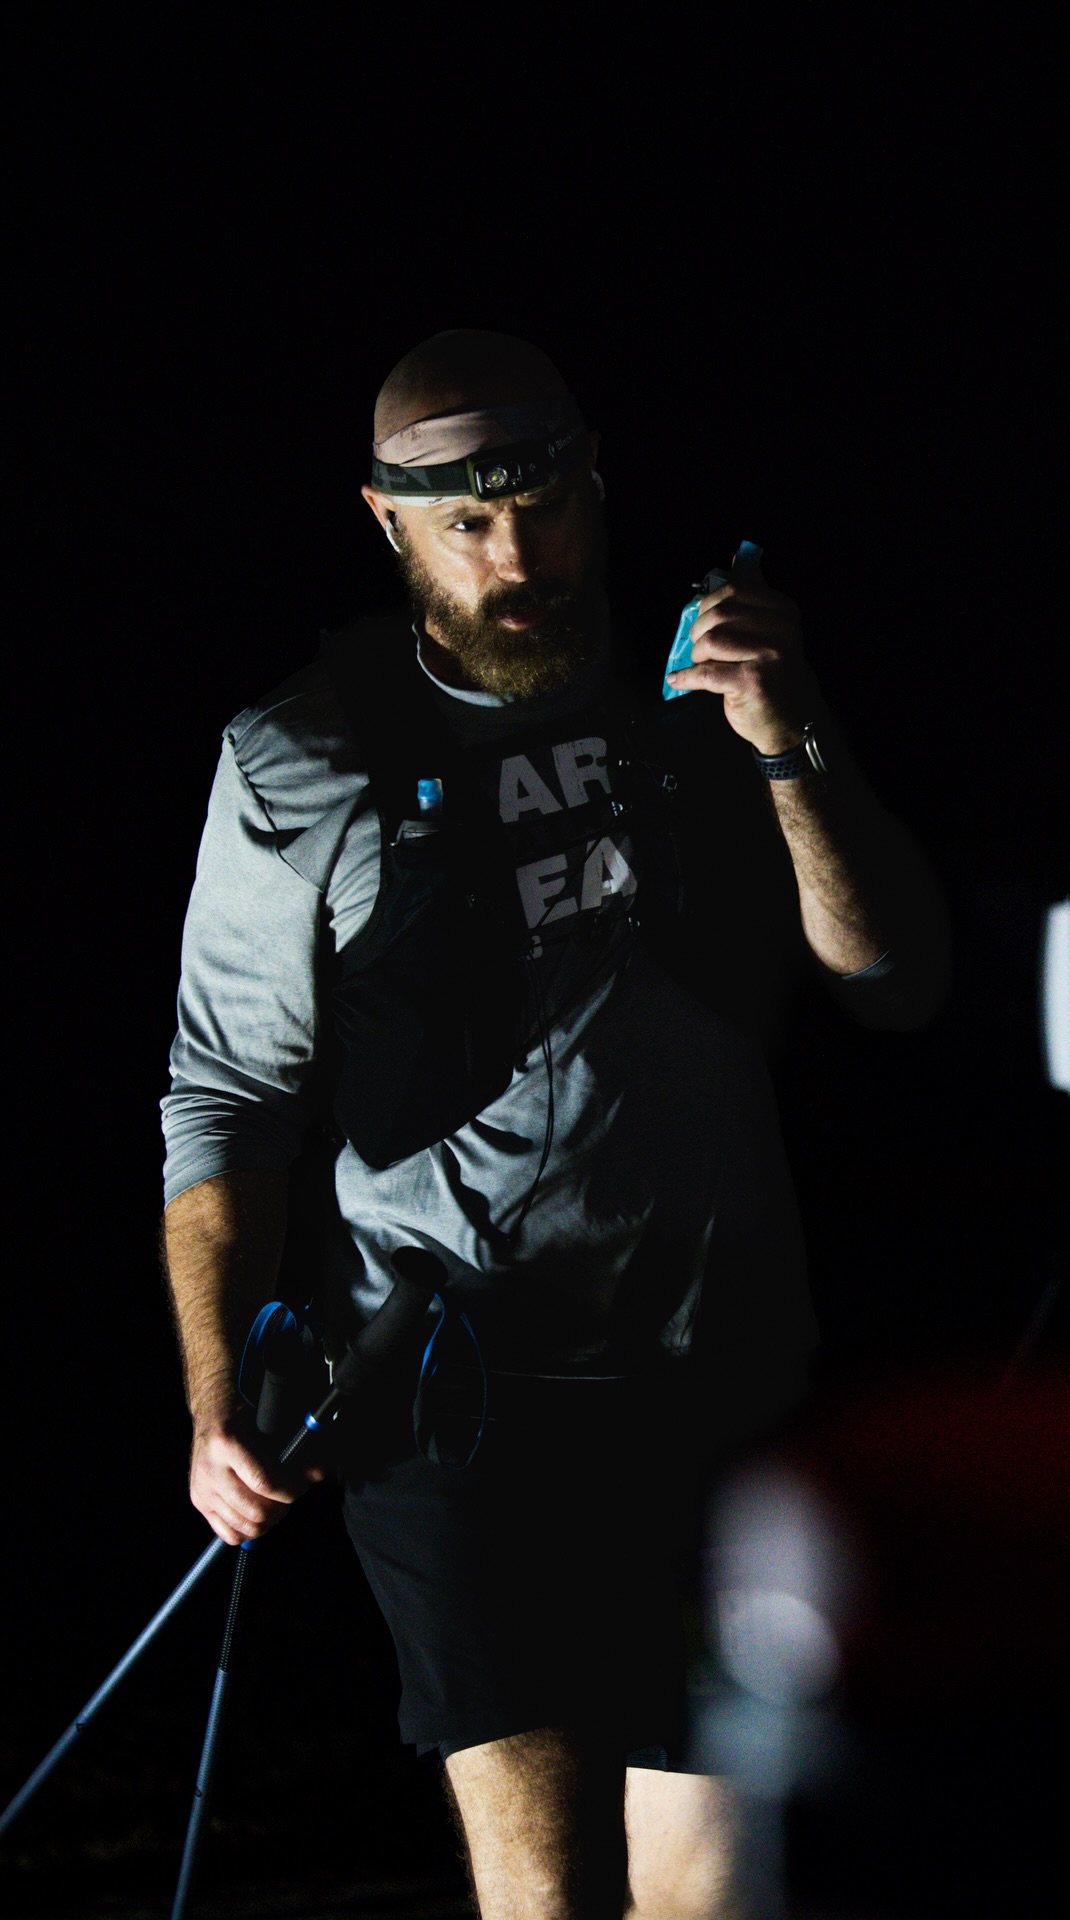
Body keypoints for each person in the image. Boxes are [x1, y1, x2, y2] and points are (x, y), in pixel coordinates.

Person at [161, 329, 949, 1918]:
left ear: (597, 487)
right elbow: (226, 1094)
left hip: (719, 1378)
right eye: (464, 521)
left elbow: (895, 980)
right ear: (386, 517)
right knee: (547, 1897)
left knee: (714, 1892)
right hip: (456, 1400)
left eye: (546, 507)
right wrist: (216, 1391)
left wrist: (788, 738)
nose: (515, 556)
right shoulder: (303, 755)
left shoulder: (705, 689)